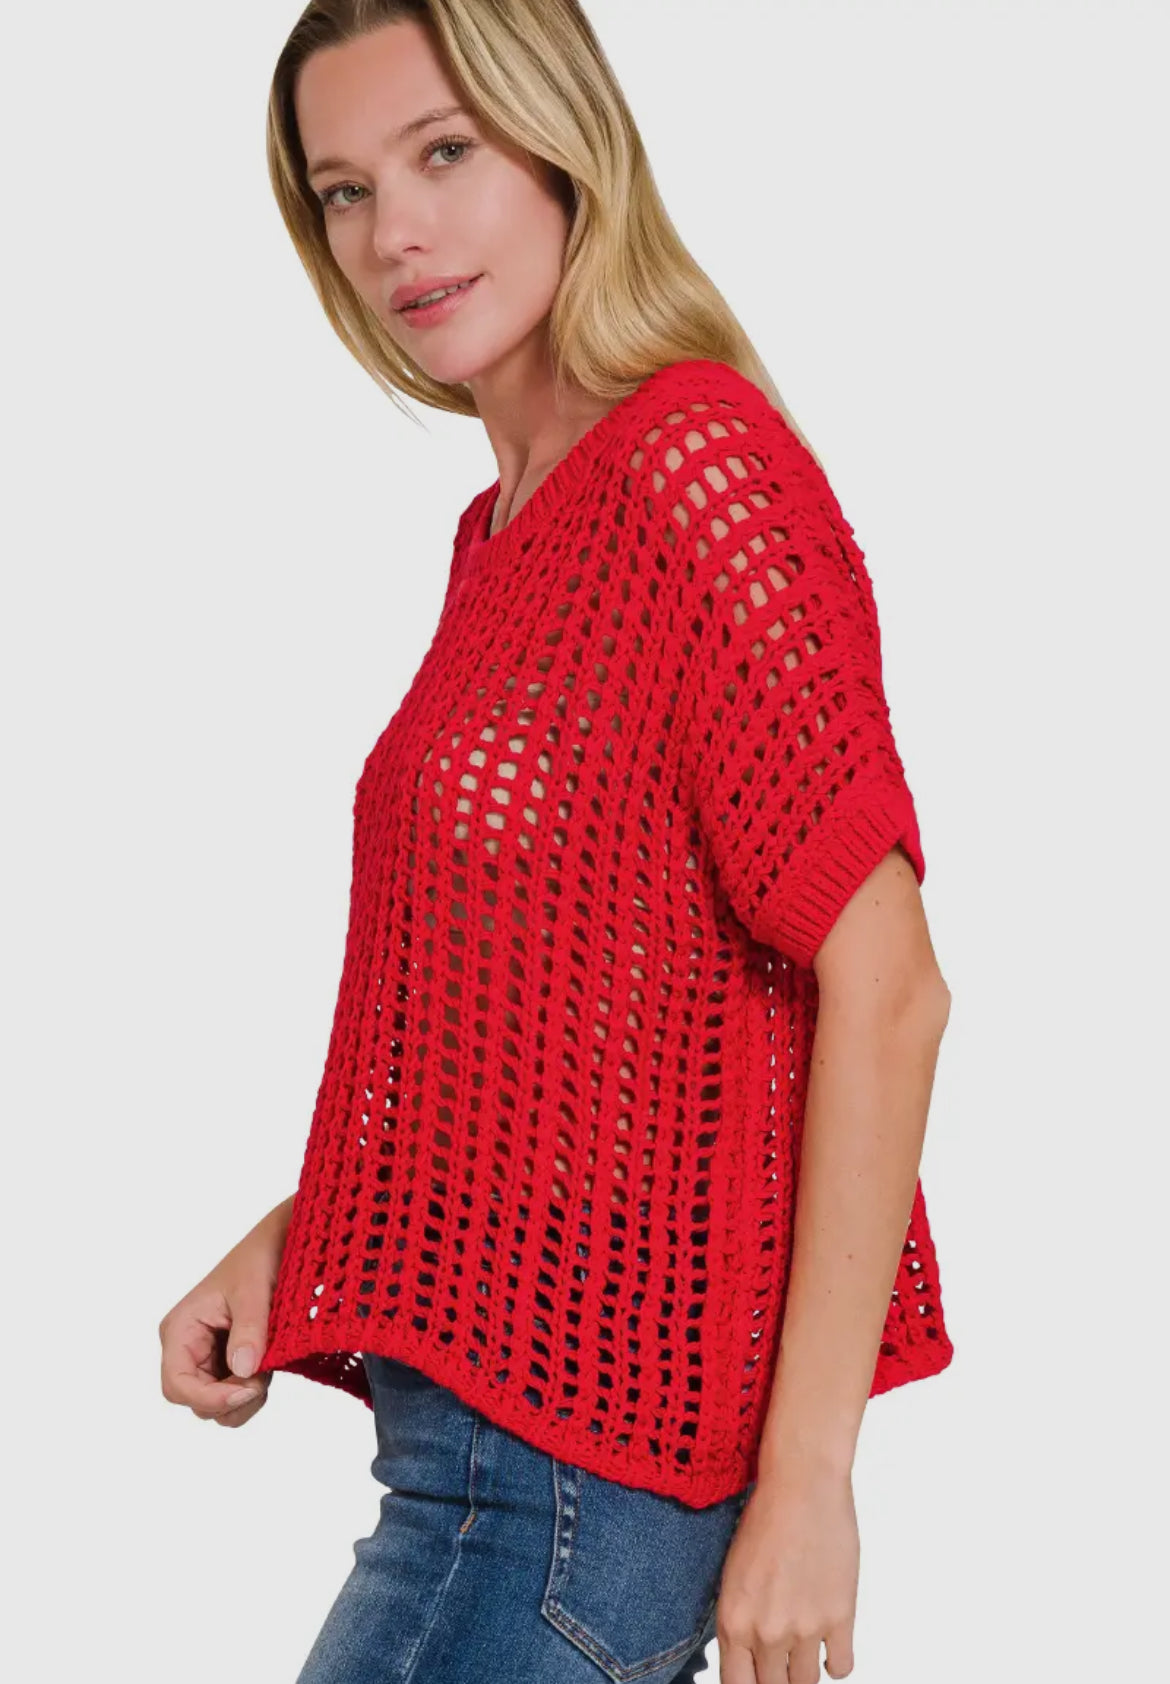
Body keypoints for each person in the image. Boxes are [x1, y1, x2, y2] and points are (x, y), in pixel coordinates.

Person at [157, 4, 954, 1680]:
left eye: (444, 153)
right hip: (482, 1462)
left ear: (563, 146)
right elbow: (567, 1031)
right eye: (345, 191)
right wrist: (310, 1230)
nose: (396, 232)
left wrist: (810, 1481)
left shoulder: (691, 467)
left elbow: (885, 984)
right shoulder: (511, 528)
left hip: (576, 1482)